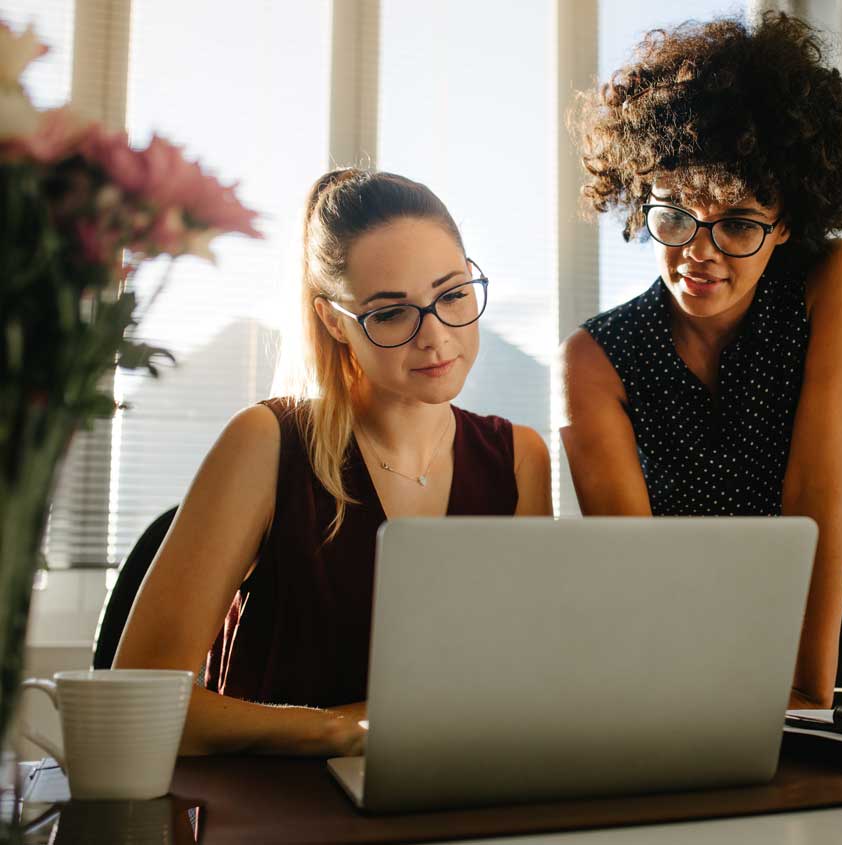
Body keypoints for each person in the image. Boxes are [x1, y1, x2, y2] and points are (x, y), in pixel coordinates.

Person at [116, 169, 553, 755]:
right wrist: (339, 730)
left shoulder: (519, 458)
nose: (436, 337)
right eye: (391, 313)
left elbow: (522, 676)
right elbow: (136, 700)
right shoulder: (266, 441)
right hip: (278, 810)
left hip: (446, 799)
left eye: (452, 295)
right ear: (333, 321)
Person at [561, 13, 842, 709]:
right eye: (675, 215)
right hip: (667, 655)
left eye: (737, 222)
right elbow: (635, 573)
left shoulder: (832, 282)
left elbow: (816, 495)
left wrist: (807, 695)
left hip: (812, 642)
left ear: (787, 220)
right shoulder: (595, 359)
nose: (699, 252)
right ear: (642, 194)